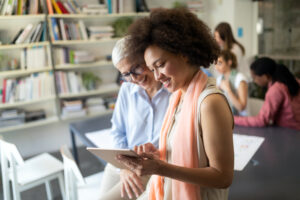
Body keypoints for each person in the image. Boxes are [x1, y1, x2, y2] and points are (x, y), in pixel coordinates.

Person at [117, 8, 234, 200]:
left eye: (161, 65)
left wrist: (160, 168)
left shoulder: (210, 103)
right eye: (152, 69)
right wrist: (157, 155)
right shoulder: (178, 96)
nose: (157, 76)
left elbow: (223, 177)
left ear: (184, 53)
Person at [99, 37, 170, 199]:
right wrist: (122, 168)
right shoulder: (127, 90)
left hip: (151, 165)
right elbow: (118, 132)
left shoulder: (172, 91)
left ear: (146, 58)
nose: (135, 78)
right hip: (123, 161)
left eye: (136, 68)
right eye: (126, 74)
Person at [234, 57, 300, 130]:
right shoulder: (294, 81)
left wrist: (234, 119)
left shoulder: (275, 90)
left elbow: (262, 120)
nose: (254, 81)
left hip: (290, 132)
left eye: (254, 78)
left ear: (265, 76)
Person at [215, 50, 248, 116]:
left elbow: (241, 107)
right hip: (225, 116)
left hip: (241, 119)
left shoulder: (240, 78)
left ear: (229, 62)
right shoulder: (219, 79)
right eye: (215, 64)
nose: (216, 67)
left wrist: (228, 90)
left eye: (219, 63)